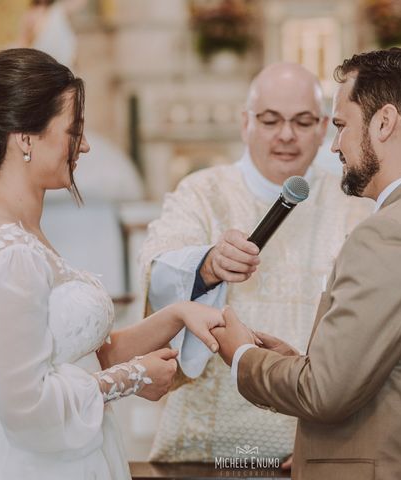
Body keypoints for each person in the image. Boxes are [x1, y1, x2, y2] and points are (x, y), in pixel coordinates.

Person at [211, 48, 401, 480]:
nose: (335, 145)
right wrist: (297, 359)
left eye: (342, 126)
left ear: (384, 123)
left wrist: (243, 356)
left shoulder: (391, 234)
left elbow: (323, 394)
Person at [0, 48, 223, 480]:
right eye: (73, 130)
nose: (86, 145)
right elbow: (25, 407)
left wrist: (177, 314)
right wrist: (132, 378)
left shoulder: (17, 226)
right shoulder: (8, 252)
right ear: (25, 138)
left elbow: (83, 355)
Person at [139, 62, 372, 463]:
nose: (286, 135)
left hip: (309, 441)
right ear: (246, 123)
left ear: (323, 128)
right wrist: (208, 265)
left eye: (302, 122)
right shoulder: (202, 191)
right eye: (270, 120)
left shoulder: (353, 204)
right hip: (205, 445)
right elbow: (157, 272)